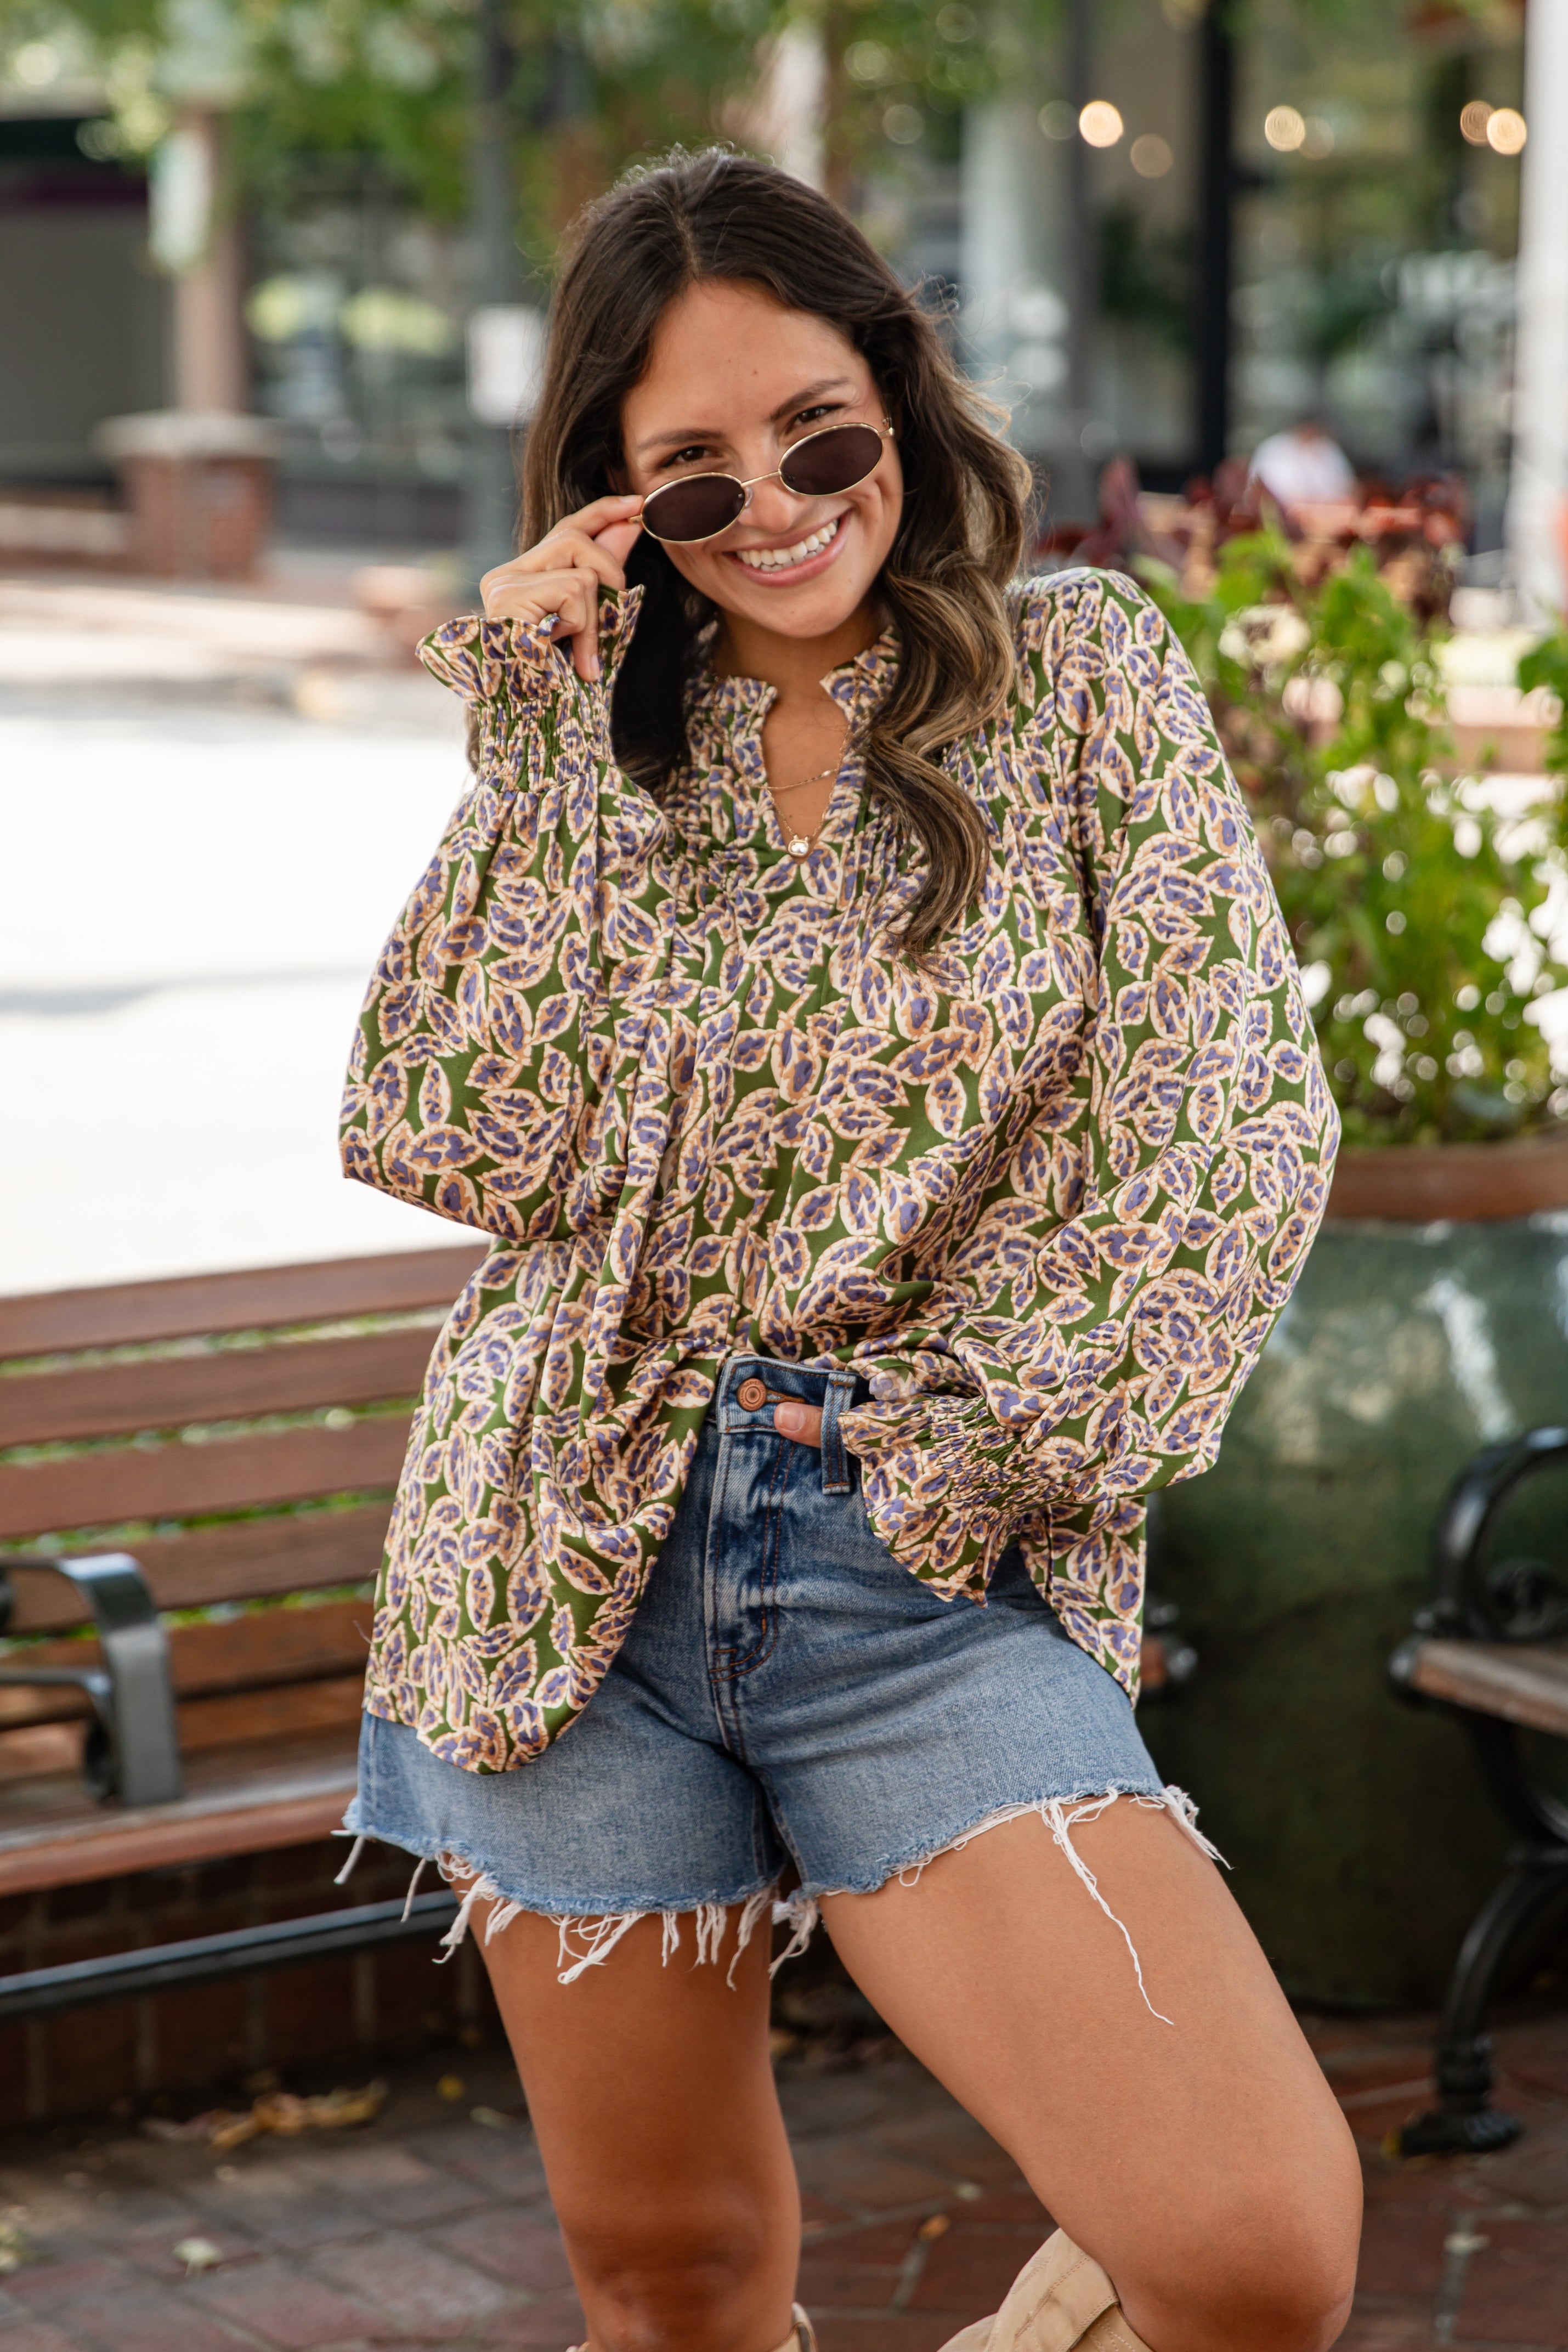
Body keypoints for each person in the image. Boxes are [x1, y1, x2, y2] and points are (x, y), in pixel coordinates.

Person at [338, 150, 1358, 2352]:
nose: (777, 505)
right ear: (614, 502)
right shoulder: (599, 746)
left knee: (1248, 2251)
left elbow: (1229, 1123)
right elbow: (455, 1121)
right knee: (674, 2277)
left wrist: (977, 1447)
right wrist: (527, 737)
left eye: (819, 432)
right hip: (560, 1556)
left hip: (921, 1544)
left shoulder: (1080, 682)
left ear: (897, 397)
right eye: (688, 475)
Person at [1248, 414, 1356, 512]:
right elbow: (1259, 489)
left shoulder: (1329, 450)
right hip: (1277, 515)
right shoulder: (1274, 450)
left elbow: (1347, 489)